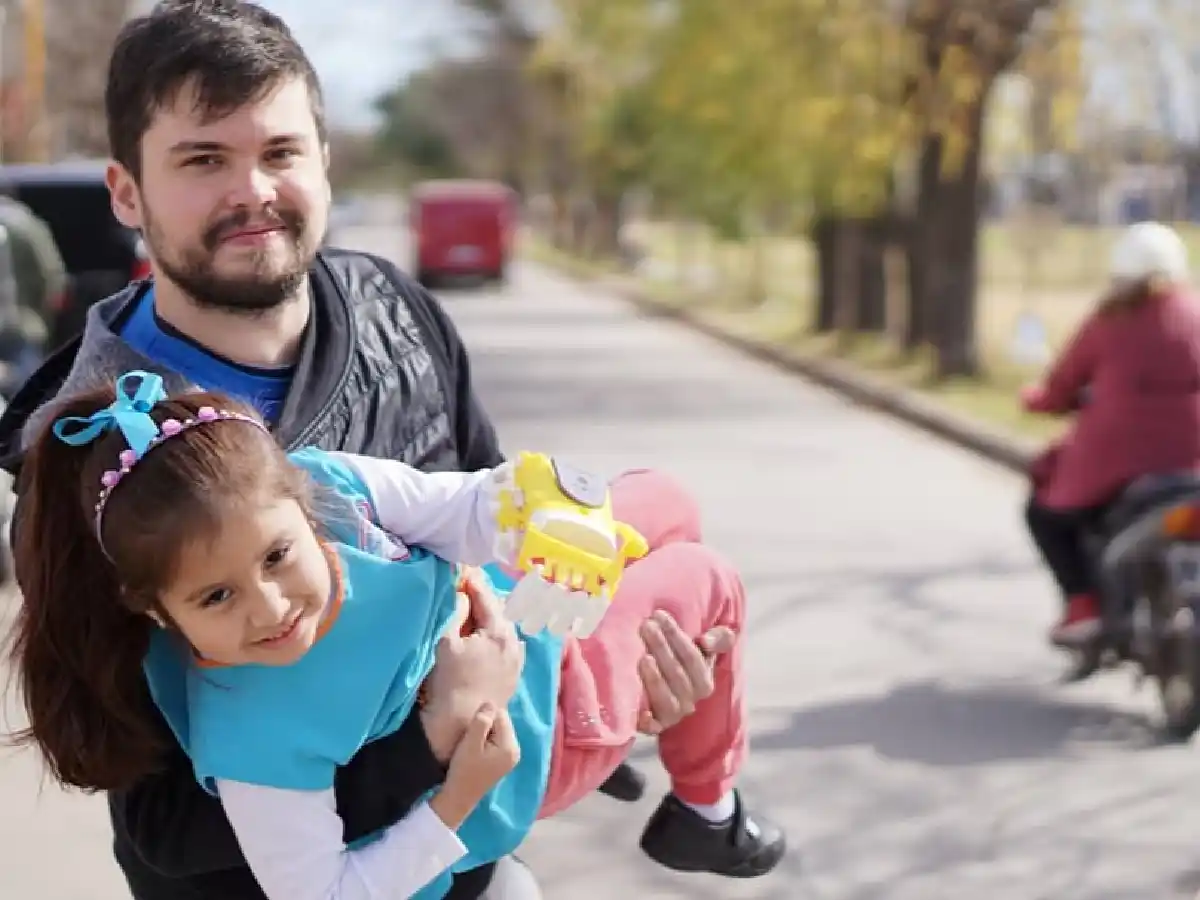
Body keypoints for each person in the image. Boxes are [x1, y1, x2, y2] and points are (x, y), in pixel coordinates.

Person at [0, 2, 752, 897]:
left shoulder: (394, 311)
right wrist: (435, 739)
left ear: (323, 159)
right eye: (204, 159)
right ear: (127, 192)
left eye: (279, 152)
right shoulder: (85, 458)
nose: (253, 190)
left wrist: (618, 688)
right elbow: (166, 828)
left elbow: (499, 546)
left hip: (480, 836)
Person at [8, 372, 785, 899]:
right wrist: (453, 800)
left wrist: (540, 526)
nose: (271, 605)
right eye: (217, 596)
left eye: (278, 555)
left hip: (519, 619)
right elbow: (323, 891)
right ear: (155, 613)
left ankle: (661, 742)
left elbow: (462, 507)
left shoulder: (332, 489)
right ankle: (706, 811)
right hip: (530, 737)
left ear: (303, 505)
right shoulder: (251, 741)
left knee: (661, 499)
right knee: (706, 580)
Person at [1022, 220, 1200, 646]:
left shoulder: (1110, 319)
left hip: (1117, 465)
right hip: (1192, 463)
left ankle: (1083, 605)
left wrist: (1037, 398)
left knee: (1046, 514)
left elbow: (1061, 385)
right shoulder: (1195, 314)